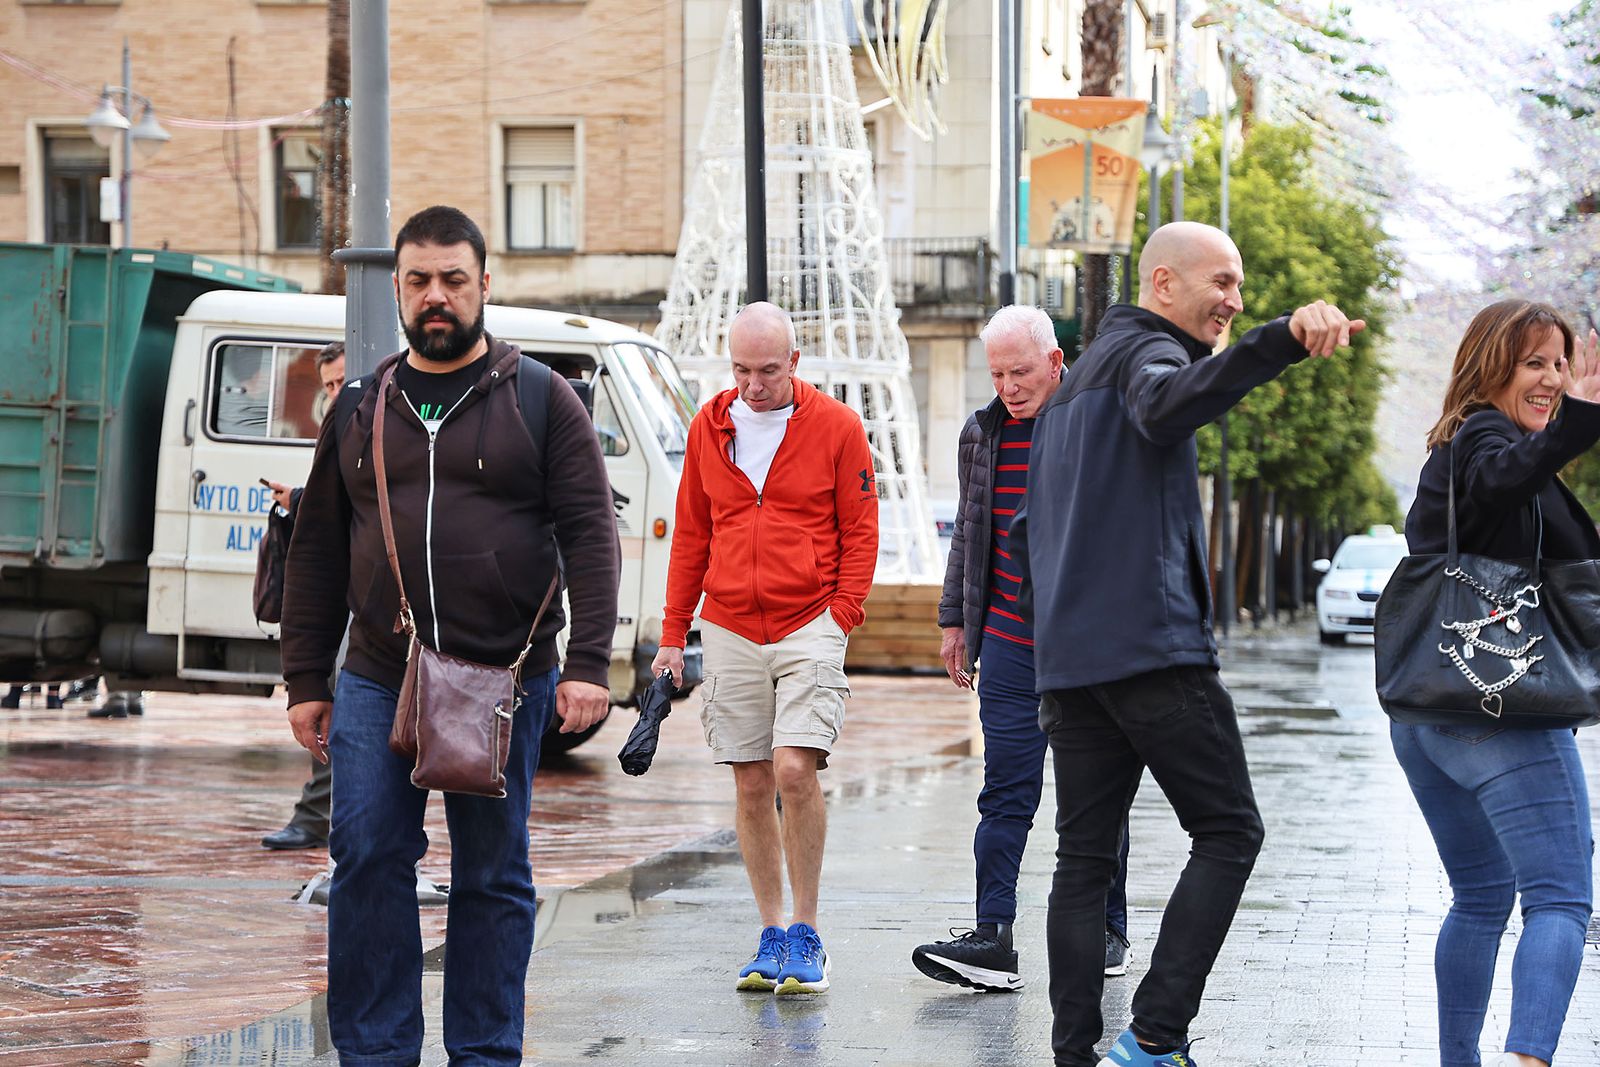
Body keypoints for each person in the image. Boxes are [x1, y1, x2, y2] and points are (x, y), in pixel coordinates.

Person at [1015, 220, 1365, 1067]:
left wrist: (1046, 650)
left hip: (1072, 670)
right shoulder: (1146, 358)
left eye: (1241, 288)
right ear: (1163, 284)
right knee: (1229, 829)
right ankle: (1154, 1038)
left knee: (1083, 860)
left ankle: (1076, 1054)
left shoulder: (1066, 394)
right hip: (1150, 653)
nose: (1235, 300)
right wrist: (1275, 339)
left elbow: (1030, 531)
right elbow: (1169, 405)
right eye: (1224, 282)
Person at [280, 205, 620, 1064]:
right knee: (365, 859)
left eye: (454, 280)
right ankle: (377, 1051)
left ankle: (483, 1051)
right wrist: (306, 679)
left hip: (503, 677)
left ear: (484, 286)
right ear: (397, 287)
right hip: (377, 672)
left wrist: (586, 664)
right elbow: (317, 545)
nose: (438, 297)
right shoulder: (361, 405)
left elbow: (590, 534)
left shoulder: (542, 399)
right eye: (421, 280)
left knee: (493, 875)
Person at [651, 302, 879, 996]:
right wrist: (671, 633)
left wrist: (839, 616)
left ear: (795, 364)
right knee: (749, 778)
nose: (753, 385)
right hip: (729, 623)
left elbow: (861, 529)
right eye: (742, 370)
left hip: (811, 618)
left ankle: (808, 930)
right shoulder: (708, 426)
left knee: (793, 769)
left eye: (768, 371)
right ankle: (772, 928)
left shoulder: (837, 427)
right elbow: (691, 534)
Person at [1395, 300, 1598, 1067]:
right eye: (1534, 363)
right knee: (1561, 897)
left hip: (1427, 714)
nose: (1551, 379)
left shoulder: (1455, 447)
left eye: (1560, 363)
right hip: (1501, 706)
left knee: (1482, 897)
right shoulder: (1486, 436)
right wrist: (1582, 416)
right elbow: (1505, 477)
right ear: (1491, 367)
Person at [913, 304, 1135, 993]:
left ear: (1055, 362)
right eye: (998, 372)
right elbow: (970, 534)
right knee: (1004, 790)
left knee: (1091, 796)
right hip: (1009, 644)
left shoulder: (1098, 426)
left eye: (1021, 370)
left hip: (1088, 648)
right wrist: (956, 621)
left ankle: (1107, 927)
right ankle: (993, 936)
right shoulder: (982, 433)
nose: (1009, 385)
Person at [260, 341, 345, 852]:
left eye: (340, 382)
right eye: (328, 386)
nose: (335, 393)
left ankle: (318, 817)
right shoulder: (342, 428)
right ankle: (317, 816)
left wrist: (299, 500)